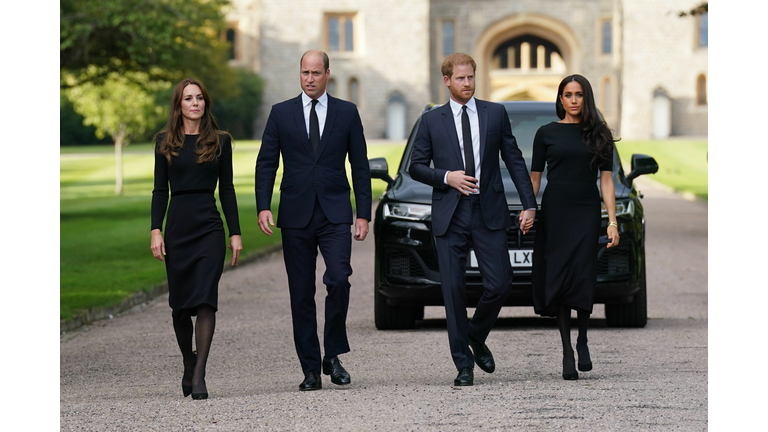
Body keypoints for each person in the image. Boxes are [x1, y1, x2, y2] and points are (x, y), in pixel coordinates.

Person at [409, 53, 537, 386]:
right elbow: (416, 166)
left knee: (501, 283)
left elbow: (515, 160)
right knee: (453, 291)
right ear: (447, 81)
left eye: (471, 77)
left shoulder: (495, 113)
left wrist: (529, 203)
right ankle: (463, 365)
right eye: (461, 78)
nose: (467, 83)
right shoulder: (431, 120)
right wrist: (447, 177)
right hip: (450, 212)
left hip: (488, 210)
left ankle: (475, 334)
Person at [255, 50, 372, 391]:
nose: (309, 78)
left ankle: (332, 355)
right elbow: (266, 164)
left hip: (335, 213)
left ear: (327, 74)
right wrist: (264, 205)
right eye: (305, 72)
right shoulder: (280, 114)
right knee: (301, 293)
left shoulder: (347, 113)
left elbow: (361, 166)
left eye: (316, 73)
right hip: (295, 214)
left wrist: (362, 213)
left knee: (338, 279)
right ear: (300, 74)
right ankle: (309, 368)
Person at [150, 78, 242, 399]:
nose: (194, 103)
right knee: (179, 308)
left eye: (199, 98)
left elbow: (227, 190)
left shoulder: (220, 141)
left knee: (205, 301)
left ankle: (200, 373)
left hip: (209, 229)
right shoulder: (164, 142)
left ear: (205, 103)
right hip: (177, 229)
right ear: (179, 105)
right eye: (188, 98)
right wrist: (155, 230)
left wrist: (235, 233)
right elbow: (160, 190)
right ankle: (188, 362)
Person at [529, 74, 620, 380]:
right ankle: (566, 349)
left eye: (578, 94)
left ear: (586, 98)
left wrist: (612, 221)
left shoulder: (599, 134)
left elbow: (606, 181)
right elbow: (535, 178)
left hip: (586, 212)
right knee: (560, 276)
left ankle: (582, 339)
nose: (573, 100)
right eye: (567, 95)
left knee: (582, 275)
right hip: (556, 212)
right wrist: (529, 209)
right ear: (560, 99)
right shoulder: (546, 133)